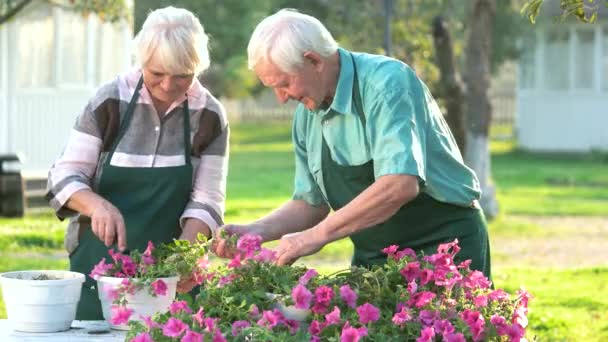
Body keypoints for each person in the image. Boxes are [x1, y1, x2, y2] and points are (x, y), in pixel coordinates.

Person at [214, 9, 491, 279]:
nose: (281, 98)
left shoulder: (387, 84)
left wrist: (314, 237)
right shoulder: (307, 116)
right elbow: (311, 203)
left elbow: (399, 185)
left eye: (284, 83)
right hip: (376, 259)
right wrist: (256, 231)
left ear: (314, 61)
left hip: (444, 247)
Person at [46, 7, 229, 320]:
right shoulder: (109, 101)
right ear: (142, 61)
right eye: (157, 73)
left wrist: (184, 258)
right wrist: (97, 206)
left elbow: (207, 200)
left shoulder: (209, 115)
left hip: (172, 277)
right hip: (99, 264)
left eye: (183, 75)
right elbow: (63, 176)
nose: (169, 86)